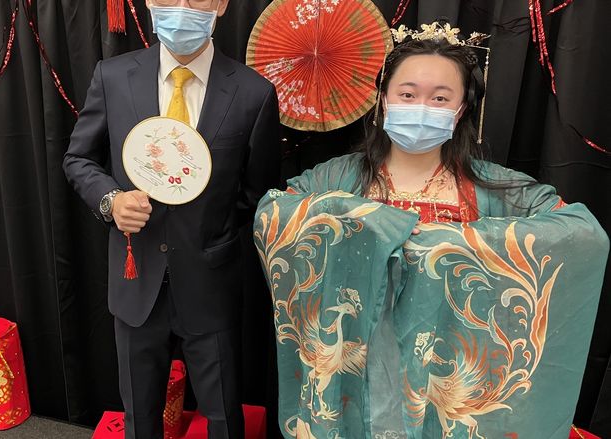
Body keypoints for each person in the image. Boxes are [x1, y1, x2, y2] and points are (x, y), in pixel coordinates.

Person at [253, 24, 609, 439]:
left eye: (440, 98)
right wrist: (357, 216)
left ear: (460, 111)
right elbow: (274, 209)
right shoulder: (339, 177)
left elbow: (581, 231)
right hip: (359, 357)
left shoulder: (494, 186)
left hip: (444, 363)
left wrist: (453, 242)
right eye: (407, 94)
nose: (422, 106)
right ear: (383, 101)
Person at [63, 0, 280, 437]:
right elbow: (79, 158)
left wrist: (209, 224)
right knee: (140, 414)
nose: (180, 8)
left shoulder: (254, 93)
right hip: (135, 276)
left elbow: (258, 192)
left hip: (210, 280)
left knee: (222, 416)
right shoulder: (113, 75)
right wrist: (111, 201)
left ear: (219, 5)